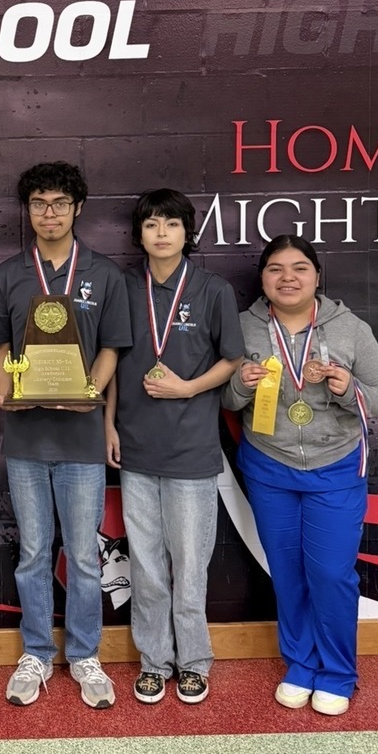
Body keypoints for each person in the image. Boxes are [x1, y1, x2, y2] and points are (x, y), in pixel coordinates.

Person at [222, 235, 378, 716]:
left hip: (334, 467)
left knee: (331, 575)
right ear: (262, 279)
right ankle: (300, 664)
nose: (288, 278)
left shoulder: (349, 328)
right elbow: (224, 401)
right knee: (289, 574)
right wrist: (239, 383)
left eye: (299, 268)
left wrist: (346, 386)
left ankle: (338, 672)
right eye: (275, 269)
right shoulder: (242, 328)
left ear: (317, 276)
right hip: (269, 467)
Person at [0, 161, 132, 709]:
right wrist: (5, 391)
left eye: (60, 204)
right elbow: (0, 347)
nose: (49, 213)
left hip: (81, 440)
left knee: (85, 557)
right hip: (25, 437)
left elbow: (113, 347)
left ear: (77, 209)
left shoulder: (103, 273)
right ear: (28, 211)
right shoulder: (8, 274)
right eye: (40, 204)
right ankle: (38, 652)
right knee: (32, 552)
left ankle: (86, 654)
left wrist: (88, 395)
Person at [104, 189, 244, 705]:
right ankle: (153, 661)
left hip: (191, 451)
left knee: (188, 565)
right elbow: (112, 358)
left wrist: (187, 388)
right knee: (144, 564)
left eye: (171, 224)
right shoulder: (122, 286)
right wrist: (108, 424)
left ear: (188, 232)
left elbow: (231, 360)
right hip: (137, 450)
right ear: (139, 234)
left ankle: (194, 662)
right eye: (151, 225)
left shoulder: (213, 290)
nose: (161, 233)